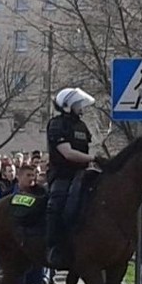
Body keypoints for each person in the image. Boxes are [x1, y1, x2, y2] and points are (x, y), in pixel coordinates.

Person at [45, 87, 103, 268]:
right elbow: (67, 153)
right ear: (67, 105)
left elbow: (88, 148)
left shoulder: (81, 126)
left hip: (82, 173)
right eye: (78, 104)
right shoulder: (56, 124)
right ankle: (53, 246)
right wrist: (94, 159)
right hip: (62, 174)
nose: (81, 107)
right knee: (58, 203)